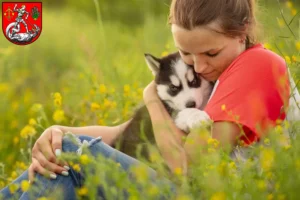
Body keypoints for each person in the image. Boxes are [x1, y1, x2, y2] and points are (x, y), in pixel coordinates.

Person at [0, 0, 293, 199]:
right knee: (64, 149)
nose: (199, 66)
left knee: (73, 155)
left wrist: (152, 98)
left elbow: (186, 171)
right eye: (186, 53)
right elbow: (122, 132)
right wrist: (57, 133)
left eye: (210, 53)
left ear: (242, 33)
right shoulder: (218, 75)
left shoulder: (257, 64)